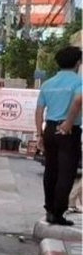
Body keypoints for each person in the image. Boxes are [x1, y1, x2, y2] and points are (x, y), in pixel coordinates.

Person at [36, 45, 82, 226]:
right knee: (66, 173)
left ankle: (49, 209)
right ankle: (58, 213)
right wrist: (69, 122)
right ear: (78, 62)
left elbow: (39, 111)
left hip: (50, 130)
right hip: (68, 131)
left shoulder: (48, 84)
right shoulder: (78, 82)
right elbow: (79, 100)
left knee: (51, 171)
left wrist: (39, 134)